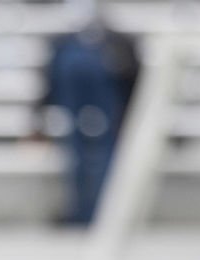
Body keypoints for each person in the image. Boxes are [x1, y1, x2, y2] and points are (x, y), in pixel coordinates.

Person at [32, 0, 140, 227]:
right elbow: (48, 84)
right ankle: (83, 211)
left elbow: (133, 81)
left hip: (109, 108)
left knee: (103, 158)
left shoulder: (118, 43)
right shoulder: (63, 45)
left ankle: (100, 213)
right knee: (79, 158)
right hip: (79, 107)